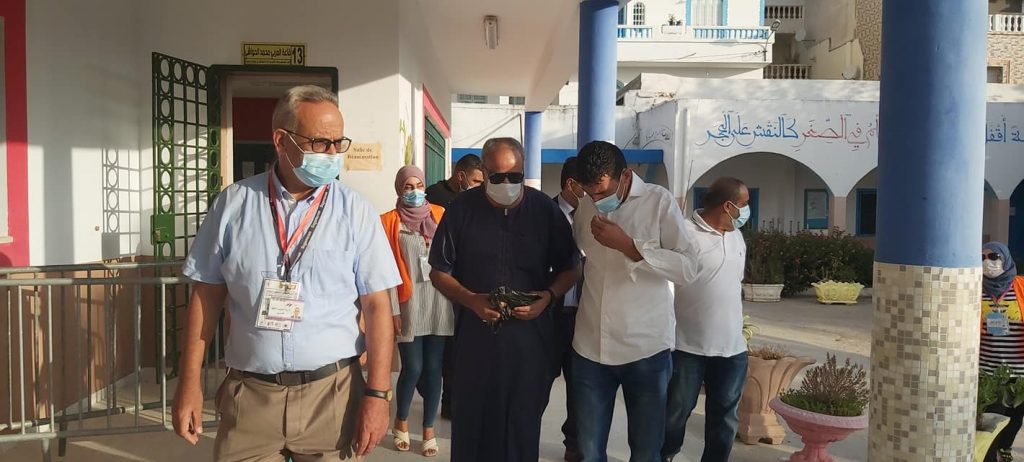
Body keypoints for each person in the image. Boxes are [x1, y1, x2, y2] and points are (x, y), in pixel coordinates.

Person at [172, 85, 400, 461]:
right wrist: (189, 383)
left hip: (333, 396)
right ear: (281, 140)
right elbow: (206, 296)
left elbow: (377, 306)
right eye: (320, 143)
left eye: (338, 143)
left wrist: (378, 395)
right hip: (251, 397)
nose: (332, 154)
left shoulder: (355, 211)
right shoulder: (234, 204)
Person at [428, 137, 581, 461]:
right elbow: (438, 272)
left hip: (529, 342)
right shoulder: (462, 210)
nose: (507, 184)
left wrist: (548, 297)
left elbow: (571, 268)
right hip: (475, 340)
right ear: (484, 173)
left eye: (515, 176)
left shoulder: (544, 210)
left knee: (520, 429)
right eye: (498, 177)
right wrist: (471, 300)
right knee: (472, 429)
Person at [571, 140, 690, 462]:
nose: (597, 201)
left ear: (625, 175)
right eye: (590, 194)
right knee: (588, 450)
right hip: (591, 347)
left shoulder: (658, 202)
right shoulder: (586, 206)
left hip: (645, 349)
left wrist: (630, 246)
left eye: (602, 192)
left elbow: (688, 268)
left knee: (646, 451)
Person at [661, 177, 750, 462]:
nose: (747, 211)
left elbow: (734, 283)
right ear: (728, 206)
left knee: (724, 421)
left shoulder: (736, 235)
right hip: (688, 348)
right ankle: (665, 455)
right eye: (744, 204)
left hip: (732, 350)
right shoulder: (684, 234)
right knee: (675, 414)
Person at [380, 165, 454, 457]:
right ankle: (400, 421)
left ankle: (428, 429)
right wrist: (392, 310)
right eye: (408, 187)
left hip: (439, 302)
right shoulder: (389, 221)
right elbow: (385, 270)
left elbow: (453, 256)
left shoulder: (440, 215)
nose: (414, 191)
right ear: (399, 190)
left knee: (435, 368)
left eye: (418, 185)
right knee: (413, 367)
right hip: (408, 304)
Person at [423, 152, 484, 419]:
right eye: (476, 180)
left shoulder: (477, 202)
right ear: (461, 176)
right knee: (437, 352)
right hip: (436, 281)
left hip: (465, 284)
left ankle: (453, 401)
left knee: (459, 350)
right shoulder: (433, 197)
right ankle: (437, 395)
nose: (480, 186)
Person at [552, 156, 584, 462]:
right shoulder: (543, 215)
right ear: (572, 185)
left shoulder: (599, 217)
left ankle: (573, 445)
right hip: (548, 317)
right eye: (588, 186)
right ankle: (521, 436)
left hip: (584, 319)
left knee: (580, 389)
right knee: (536, 383)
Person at [980, 242, 1024, 462]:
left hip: (1019, 372)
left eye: (993, 256)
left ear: (1005, 259)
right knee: (992, 418)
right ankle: (989, 454)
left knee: (1015, 418)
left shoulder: (1021, 287)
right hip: (988, 371)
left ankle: (1004, 449)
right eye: (983, 257)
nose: (987, 262)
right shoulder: (975, 288)